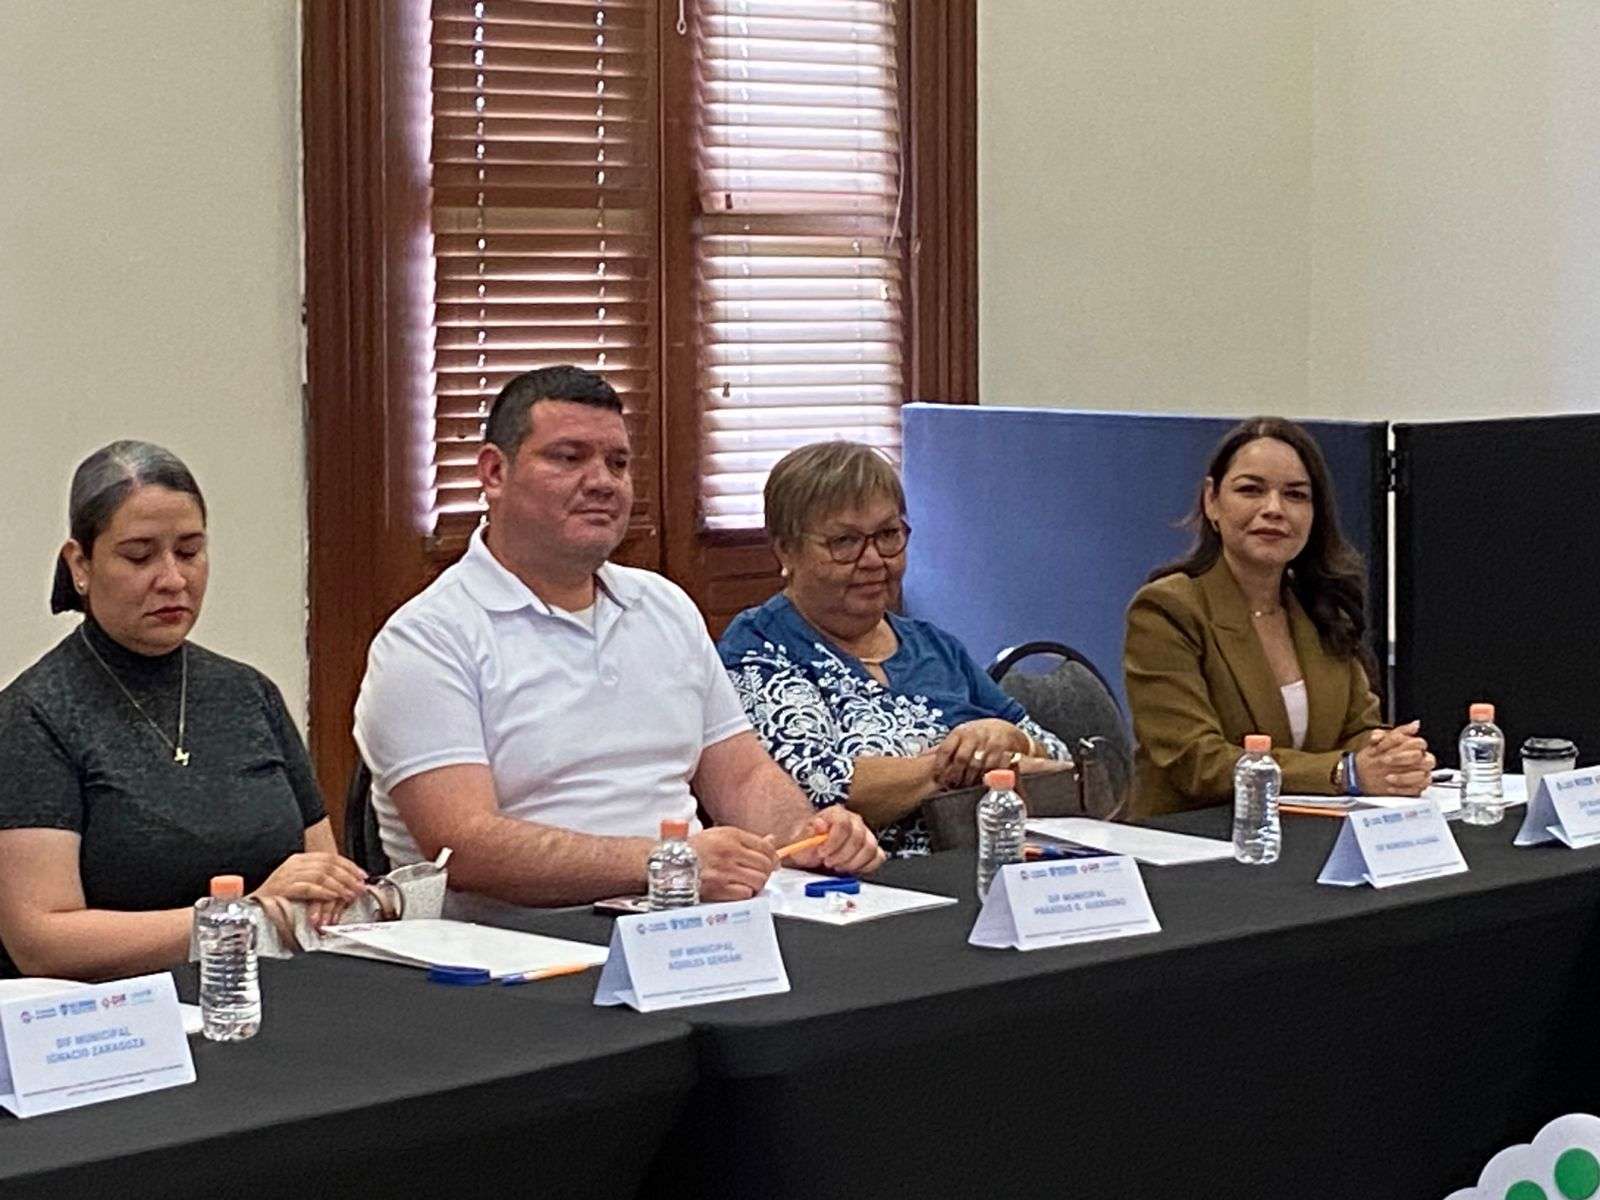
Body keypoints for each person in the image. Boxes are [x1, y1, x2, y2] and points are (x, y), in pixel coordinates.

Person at [354, 366, 882, 915]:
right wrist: (668, 862)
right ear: (494, 472)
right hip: (519, 944)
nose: (603, 482)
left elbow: (743, 776)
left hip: (690, 921)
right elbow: (462, 847)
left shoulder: (663, 607)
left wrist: (805, 834)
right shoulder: (427, 639)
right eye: (569, 458)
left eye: (618, 463)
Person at [0, 442, 367, 980]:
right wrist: (241, 917)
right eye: (139, 556)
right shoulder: (34, 716)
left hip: (277, 991)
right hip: (121, 1013)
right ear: (81, 564)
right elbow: (42, 940)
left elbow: (321, 875)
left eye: (190, 552)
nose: (173, 579)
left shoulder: (250, 694)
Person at [718, 441, 1071, 857]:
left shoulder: (934, 646)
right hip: (861, 877)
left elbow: (1061, 764)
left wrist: (1007, 737)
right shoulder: (760, 647)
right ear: (786, 550)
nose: (873, 559)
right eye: (845, 542)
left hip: (992, 861)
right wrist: (963, 764)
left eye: (888, 535)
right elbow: (819, 788)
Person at [1123, 417, 1435, 814]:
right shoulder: (1168, 609)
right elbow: (1197, 761)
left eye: (1295, 495)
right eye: (1250, 490)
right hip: (1197, 835)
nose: (1274, 509)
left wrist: (1391, 758)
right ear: (1212, 501)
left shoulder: (1321, 608)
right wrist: (1344, 773)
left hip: (1309, 832)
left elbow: (1358, 730)